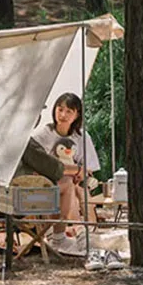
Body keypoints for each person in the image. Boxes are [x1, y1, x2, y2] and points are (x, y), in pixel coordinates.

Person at [31, 92, 101, 253]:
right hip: (49, 181)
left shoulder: (82, 137)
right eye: (60, 109)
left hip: (74, 182)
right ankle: (79, 230)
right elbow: (38, 164)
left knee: (78, 187)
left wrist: (81, 174)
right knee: (70, 184)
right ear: (54, 110)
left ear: (77, 115)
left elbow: (88, 168)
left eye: (69, 111)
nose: (63, 115)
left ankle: (81, 232)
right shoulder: (43, 134)